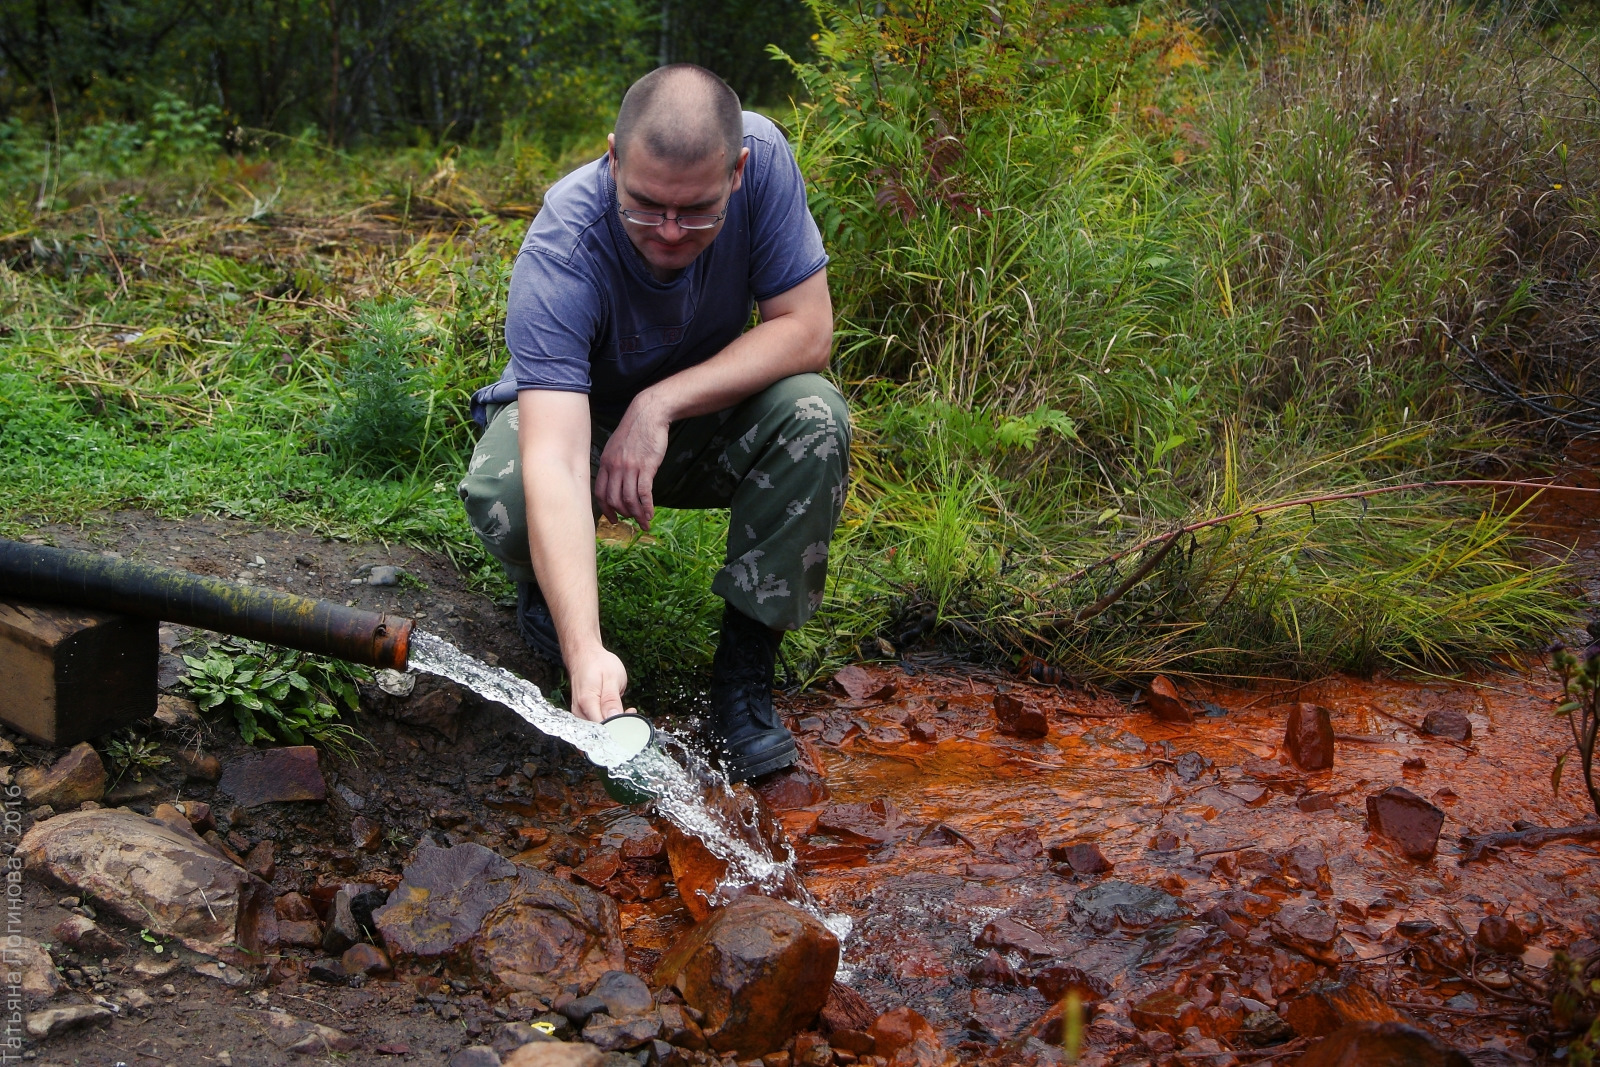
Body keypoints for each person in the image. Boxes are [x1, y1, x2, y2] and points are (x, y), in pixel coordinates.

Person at [459, 64, 849, 783]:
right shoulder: (562, 249)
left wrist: (660, 402)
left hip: (698, 422)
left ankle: (743, 676)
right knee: (510, 494)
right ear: (613, 159)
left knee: (815, 416)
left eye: (697, 211)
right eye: (643, 206)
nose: (669, 232)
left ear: (737, 171)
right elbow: (553, 459)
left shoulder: (764, 164)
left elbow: (808, 330)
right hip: (579, 426)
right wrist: (587, 656)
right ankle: (554, 596)